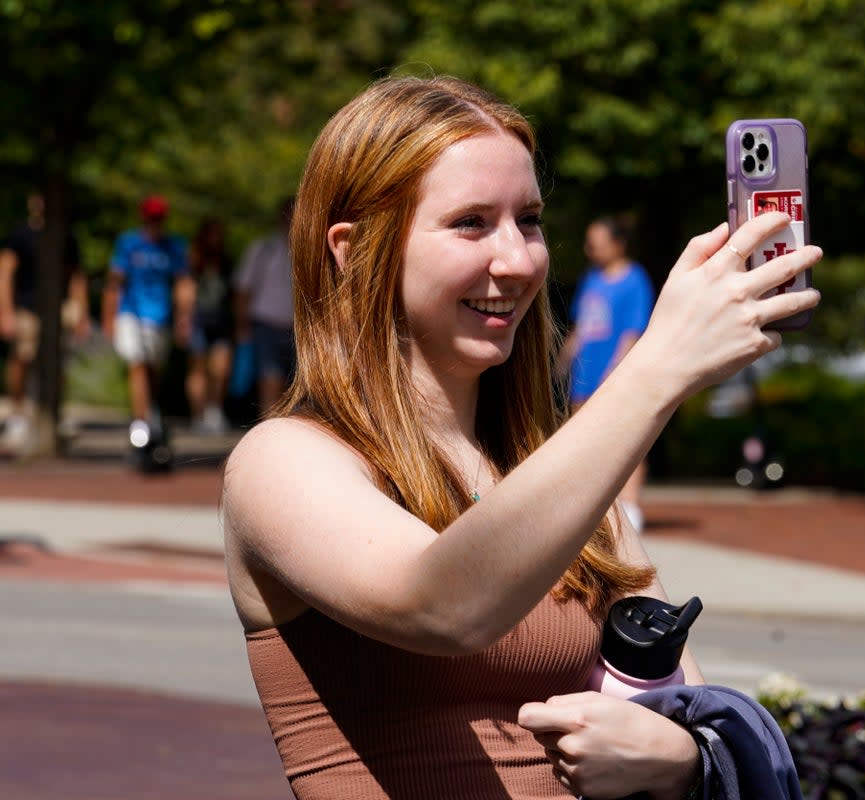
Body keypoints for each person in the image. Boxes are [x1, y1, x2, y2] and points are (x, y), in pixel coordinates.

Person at [221, 75, 820, 799]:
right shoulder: (283, 461)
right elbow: (442, 606)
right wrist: (656, 369)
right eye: (471, 222)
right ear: (353, 249)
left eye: (528, 220)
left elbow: (684, 696)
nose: (517, 259)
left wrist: (681, 757)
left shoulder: (554, 474)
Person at [558, 215, 656, 533]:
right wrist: (564, 359)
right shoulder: (592, 279)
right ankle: (591, 505)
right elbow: (582, 326)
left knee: (627, 437)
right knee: (582, 437)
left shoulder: (634, 280)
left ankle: (630, 505)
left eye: (598, 243)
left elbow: (633, 329)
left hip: (616, 374)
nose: (592, 250)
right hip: (585, 373)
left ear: (618, 243)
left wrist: (616, 368)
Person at [0, 192, 90, 450]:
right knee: (22, 358)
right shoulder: (20, 235)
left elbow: (76, 275)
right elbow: (6, 272)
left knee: (59, 362)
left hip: (59, 307)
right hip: (26, 307)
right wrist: (5, 311)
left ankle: (53, 413)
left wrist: (81, 311)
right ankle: (17, 413)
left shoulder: (66, 235)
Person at [102, 194, 192, 449]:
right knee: (137, 365)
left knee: (153, 371)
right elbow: (115, 281)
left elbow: (182, 282)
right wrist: (109, 317)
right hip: (131, 313)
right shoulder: (129, 244)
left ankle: (149, 414)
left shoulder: (174, 247)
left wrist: (184, 317)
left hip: (160, 318)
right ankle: (141, 422)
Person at [232, 196, 295, 418]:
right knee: (269, 379)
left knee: (294, 388)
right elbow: (243, 290)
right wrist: (242, 327)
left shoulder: (306, 249)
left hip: (297, 328)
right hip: (266, 324)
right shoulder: (264, 249)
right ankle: (270, 428)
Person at [185, 216, 234, 433]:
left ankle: (214, 411)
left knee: (221, 368)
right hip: (198, 318)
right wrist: (183, 318)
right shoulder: (194, 260)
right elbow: (185, 288)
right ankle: (198, 415)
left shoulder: (226, 261)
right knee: (198, 368)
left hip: (221, 319)